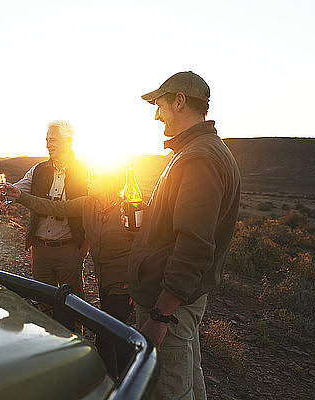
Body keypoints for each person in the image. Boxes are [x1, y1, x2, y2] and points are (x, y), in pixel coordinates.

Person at [128, 71, 240, 400]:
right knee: (188, 379)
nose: (156, 114)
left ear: (179, 101)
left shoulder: (199, 158)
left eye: (160, 104)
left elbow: (193, 246)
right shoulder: (199, 151)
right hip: (179, 301)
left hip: (172, 306)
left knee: (168, 389)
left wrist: (161, 315)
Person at [0, 168, 134, 379]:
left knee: (108, 337)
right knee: (114, 334)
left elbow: (147, 244)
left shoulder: (128, 209)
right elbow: (54, 207)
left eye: (95, 176)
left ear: (109, 181)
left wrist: (137, 279)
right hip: (104, 282)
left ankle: (122, 384)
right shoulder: (88, 204)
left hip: (123, 283)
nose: (89, 179)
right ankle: (121, 382)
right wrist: (20, 196)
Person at [12, 120, 89, 299]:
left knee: (73, 306)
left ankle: (72, 329)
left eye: (53, 139)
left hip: (70, 250)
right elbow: (17, 190)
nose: (48, 144)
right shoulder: (38, 170)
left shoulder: (85, 172)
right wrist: (1, 193)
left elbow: (85, 211)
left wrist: (83, 250)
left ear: (68, 141)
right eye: (47, 139)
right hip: (40, 251)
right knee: (43, 303)